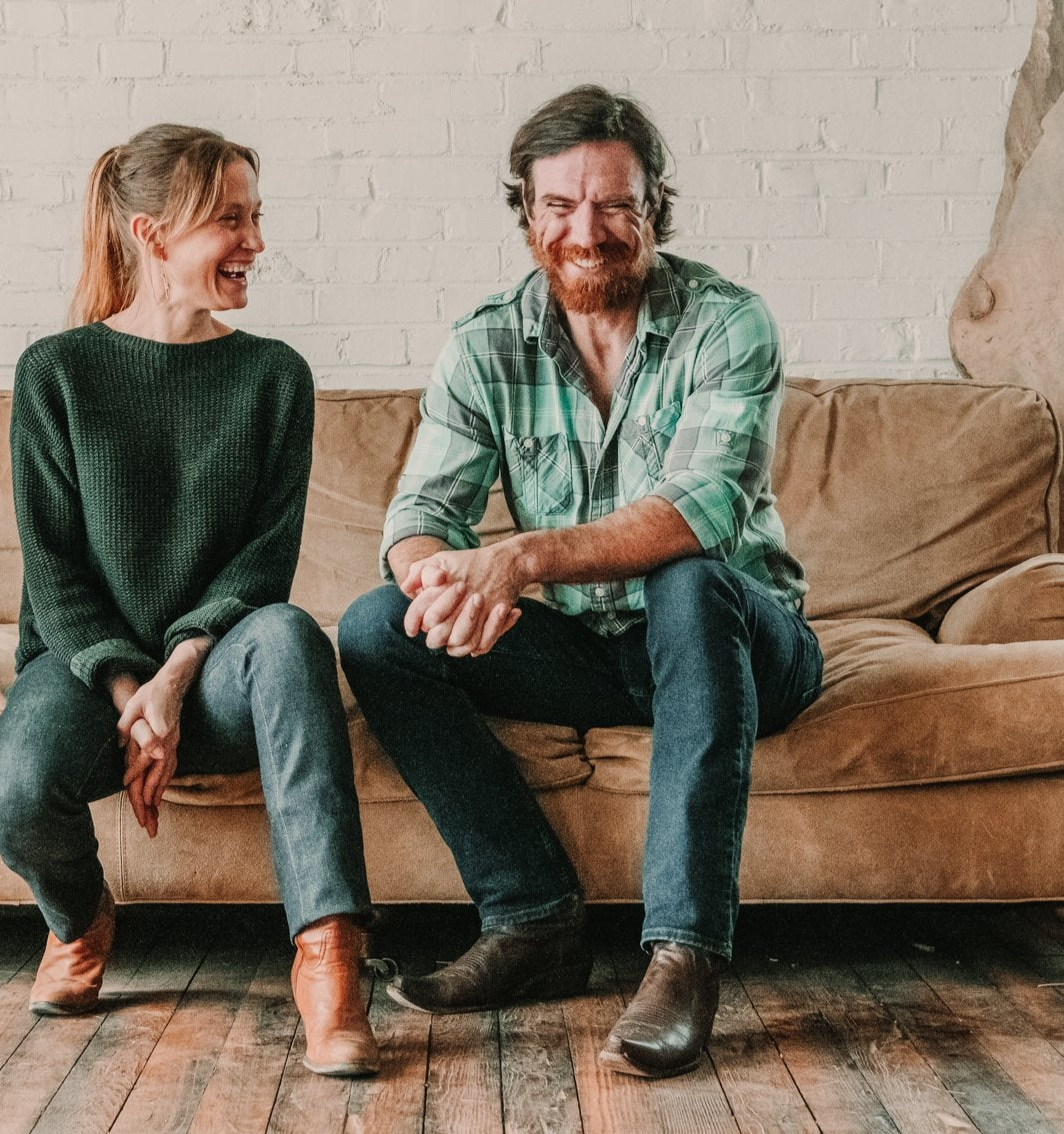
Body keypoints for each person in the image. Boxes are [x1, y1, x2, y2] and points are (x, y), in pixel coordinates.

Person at [337, 85, 824, 1079]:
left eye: (614, 204)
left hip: (738, 642)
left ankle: (682, 956)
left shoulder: (726, 324)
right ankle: (533, 918)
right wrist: (440, 585)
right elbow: (421, 510)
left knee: (689, 581)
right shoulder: (484, 343)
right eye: (559, 205)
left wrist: (514, 559)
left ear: (657, 208)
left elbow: (699, 510)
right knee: (376, 627)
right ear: (525, 212)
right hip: (590, 651)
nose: (585, 231)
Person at [0, 124, 379, 1078]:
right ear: (153, 235)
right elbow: (55, 573)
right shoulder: (57, 371)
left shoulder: (273, 376)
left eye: (256, 217)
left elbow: (261, 567)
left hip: (226, 673)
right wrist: (128, 693)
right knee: (15, 787)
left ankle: (330, 963)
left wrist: (177, 675)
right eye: (229, 221)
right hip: (87, 674)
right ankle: (80, 923)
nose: (255, 243)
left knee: (288, 634)